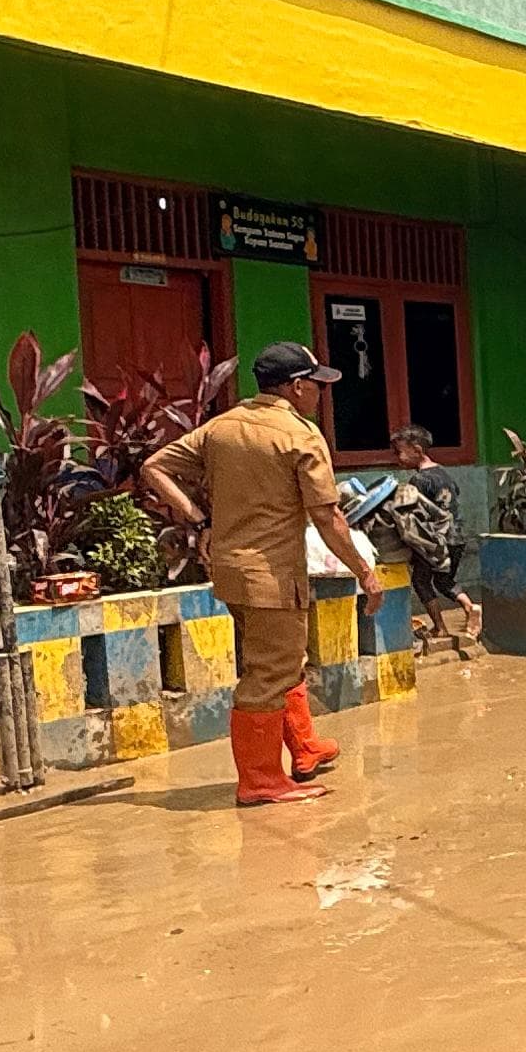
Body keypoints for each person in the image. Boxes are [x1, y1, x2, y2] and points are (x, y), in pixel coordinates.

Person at [145, 340, 382, 809]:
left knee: (280, 663)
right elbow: (328, 517)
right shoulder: (301, 435)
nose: (320, 394)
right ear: (296, 387)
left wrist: (198, 519)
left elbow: (155, 467)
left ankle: (305, 748)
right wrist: (364, 573)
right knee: (266, 676)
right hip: (273, 577)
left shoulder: (223, 427)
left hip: (232, 573)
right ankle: (259, 780)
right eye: (317, 385)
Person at [363, 425, 475, 663]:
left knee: (421, 581)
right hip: (457, 538)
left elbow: (412, 518)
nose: (397, 459)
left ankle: (440, 627)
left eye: (399, 452)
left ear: (416, 449)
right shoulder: (444, 473)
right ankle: (470, 607)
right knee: (444, 580)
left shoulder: (418, 480)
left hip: (436, 541)